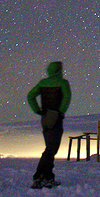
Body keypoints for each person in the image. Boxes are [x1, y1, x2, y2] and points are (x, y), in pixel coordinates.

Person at [26, 61, 71, 189]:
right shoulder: (63, 83)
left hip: (45, 117)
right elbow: (66, 98)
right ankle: (39, 177)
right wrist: (60, 112)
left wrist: (37, 110)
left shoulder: (42, 83)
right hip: (55, 117)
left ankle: (48, 177)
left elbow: (30, 96)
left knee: (50, 147)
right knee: (51, 148)